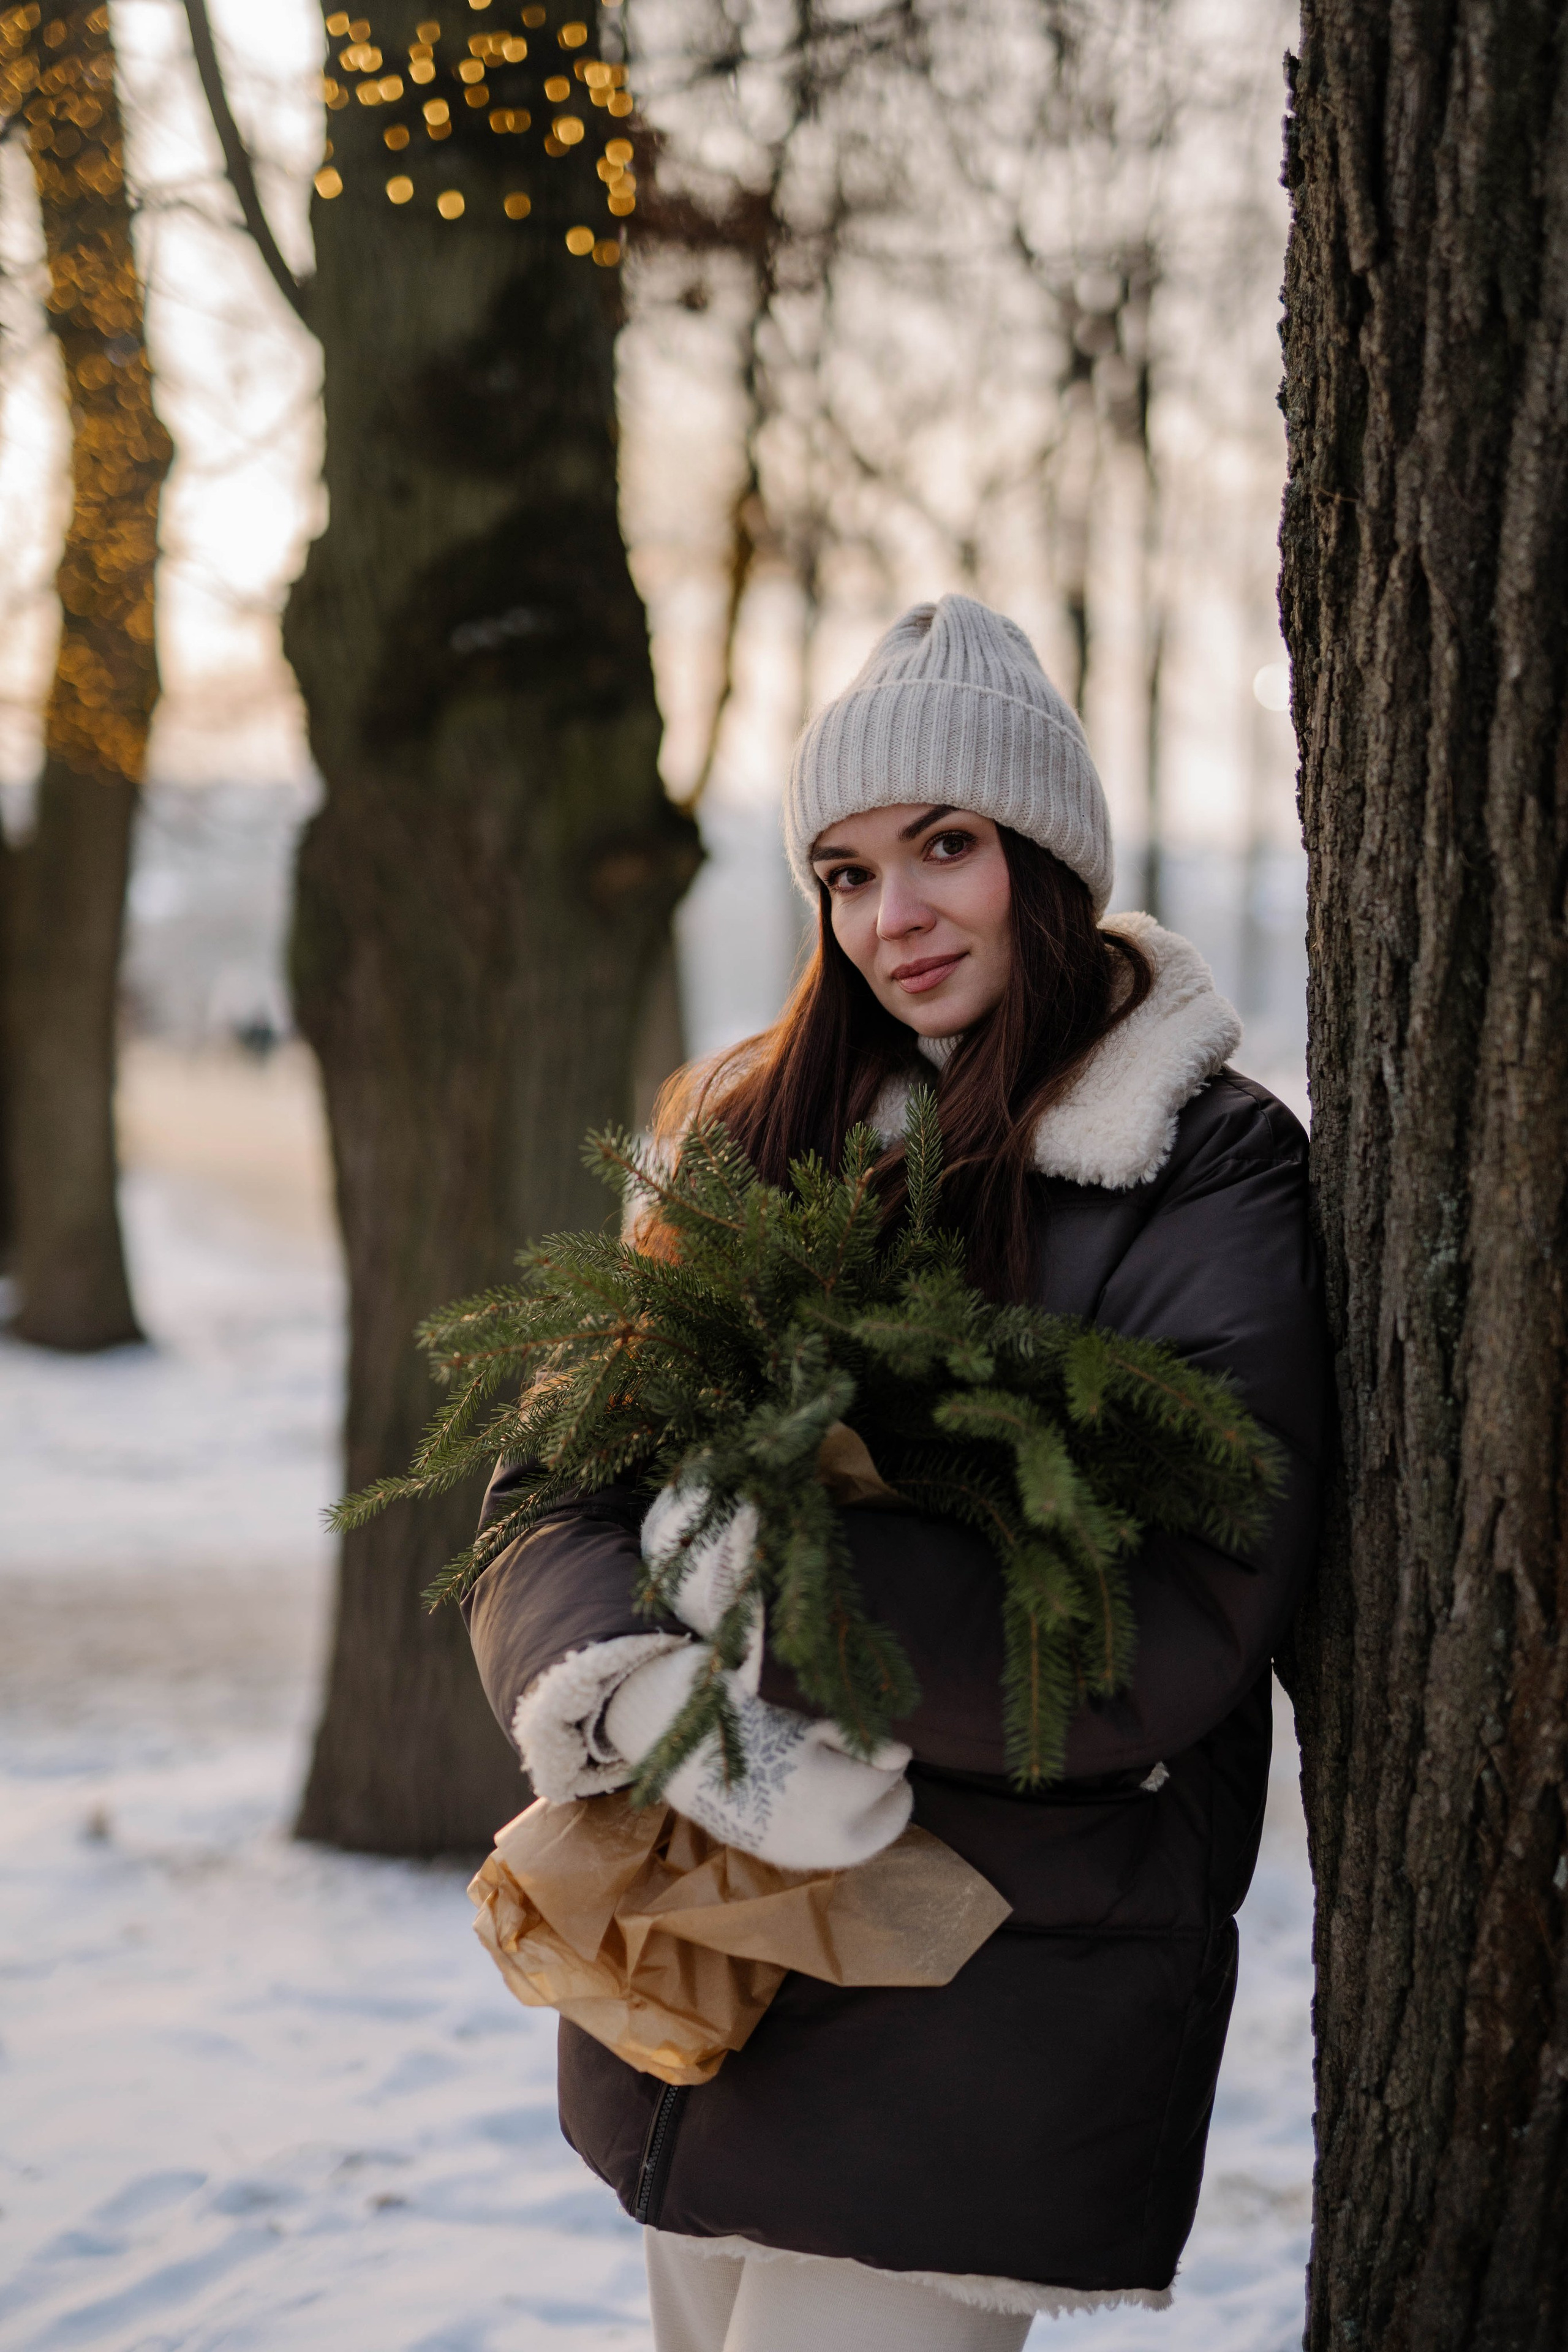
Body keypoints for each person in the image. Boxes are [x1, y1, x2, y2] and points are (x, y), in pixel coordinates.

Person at [463, 594, 1327, 2351]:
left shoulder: (1200, 1164)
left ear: (1045, 851)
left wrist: (775, 1605)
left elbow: (1174, 1609)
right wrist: (649, 1701)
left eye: (946, 846)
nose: (894, 915)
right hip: (709, 1975)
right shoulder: (752, 1131)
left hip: (988, 1998)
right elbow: (552, 1485)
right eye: (846, 872)